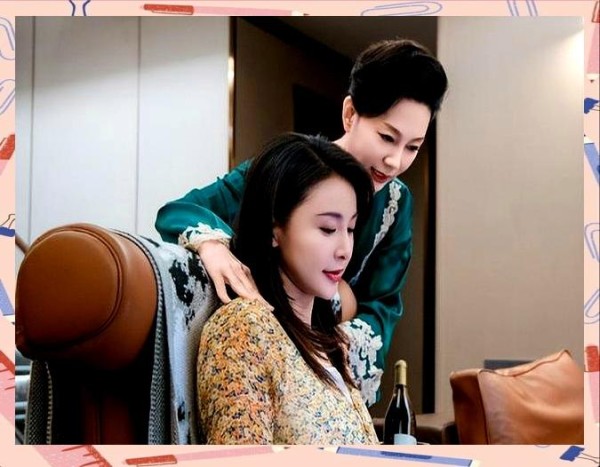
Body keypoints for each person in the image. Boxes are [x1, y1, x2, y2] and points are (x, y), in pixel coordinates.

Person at [157, 39, 448, 405]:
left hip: (325, 356)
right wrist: (212, 245)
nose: (395, 161)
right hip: (261, 340)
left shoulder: (396, 201)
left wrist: (331, 335)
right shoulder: (294, 168)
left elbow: (384, 303)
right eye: (387, 137)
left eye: (413, 147)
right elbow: (183, 209)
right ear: (350, 114)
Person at [196, 133, 378, 444]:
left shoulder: (328, 341)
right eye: (328, 229)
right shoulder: (244, 328)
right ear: (274, 229)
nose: (345, 249)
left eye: (349, 229)